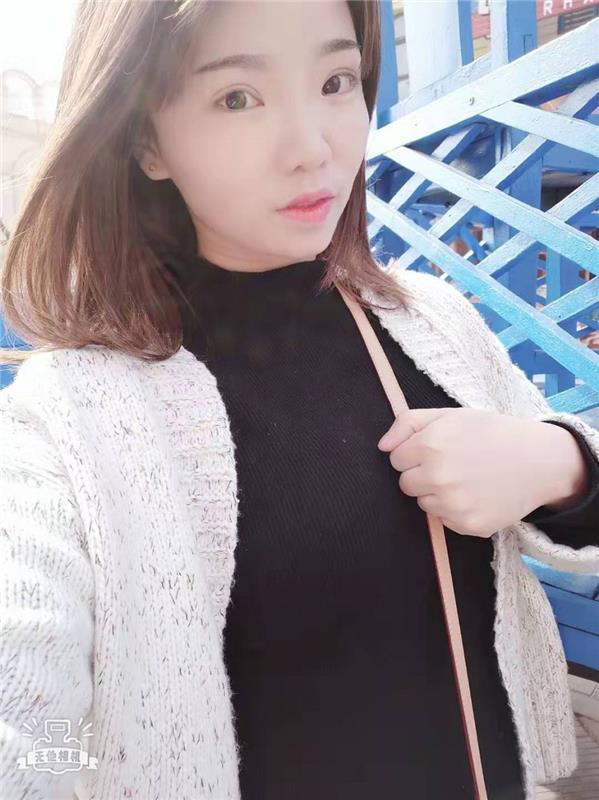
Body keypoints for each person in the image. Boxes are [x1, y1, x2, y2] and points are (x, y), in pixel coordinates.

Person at [0, 2, 598, 799]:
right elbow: (24, 707)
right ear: (145, 140)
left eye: (335, 81)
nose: (313, 147)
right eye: (237, 97)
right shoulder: (69, 416)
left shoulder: (427, 318)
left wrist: (561, 463)